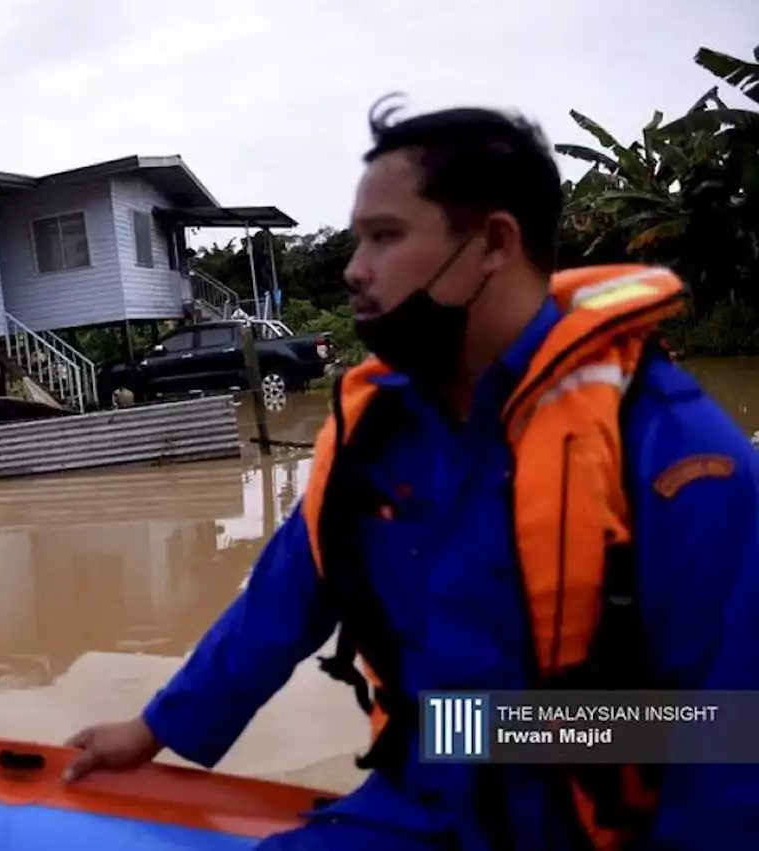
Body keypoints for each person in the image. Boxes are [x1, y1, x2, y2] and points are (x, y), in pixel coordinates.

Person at [62, 98, 759, 850]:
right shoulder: (376, 434)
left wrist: (490, 733)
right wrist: (152, 728)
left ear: (494, 242)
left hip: (595, 827)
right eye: (357, 240)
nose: (355, 271)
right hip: (415, 805)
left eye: (385, 238)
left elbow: (727, 733)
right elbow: (280, 602)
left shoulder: (673, 452)